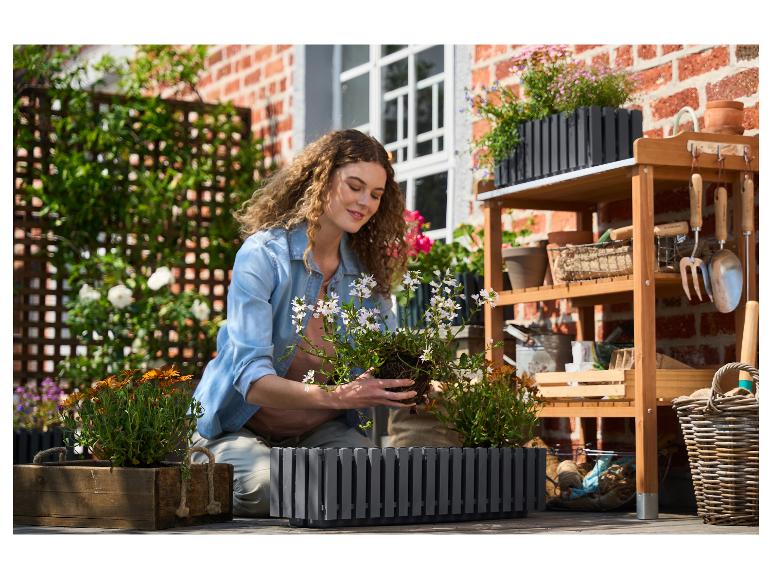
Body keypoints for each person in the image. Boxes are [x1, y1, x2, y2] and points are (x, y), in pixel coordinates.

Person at [190, 129, 416, 517]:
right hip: (240, 429)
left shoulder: (364, 272)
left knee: (384, 480)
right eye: (355, 186)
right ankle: (198, 461)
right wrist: (339, 396)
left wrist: (435, 383)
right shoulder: (264, 256)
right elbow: (252, 381)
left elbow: (391, 354)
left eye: (376, 195)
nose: (365, 202)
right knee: (267, 485)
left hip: (320, 433)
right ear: (321, 179)